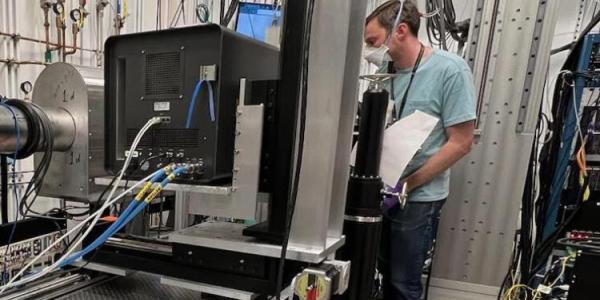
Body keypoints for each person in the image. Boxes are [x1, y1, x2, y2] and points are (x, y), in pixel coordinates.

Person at [363, 1, 476, 299]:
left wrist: (408, 185)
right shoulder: (385, 74)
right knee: (381, 271)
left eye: (372, 42)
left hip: (418, 197)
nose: (369, 50)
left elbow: (461, 143)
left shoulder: (450, 71)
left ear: (400, 31)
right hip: (383, 190)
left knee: (402, 282)